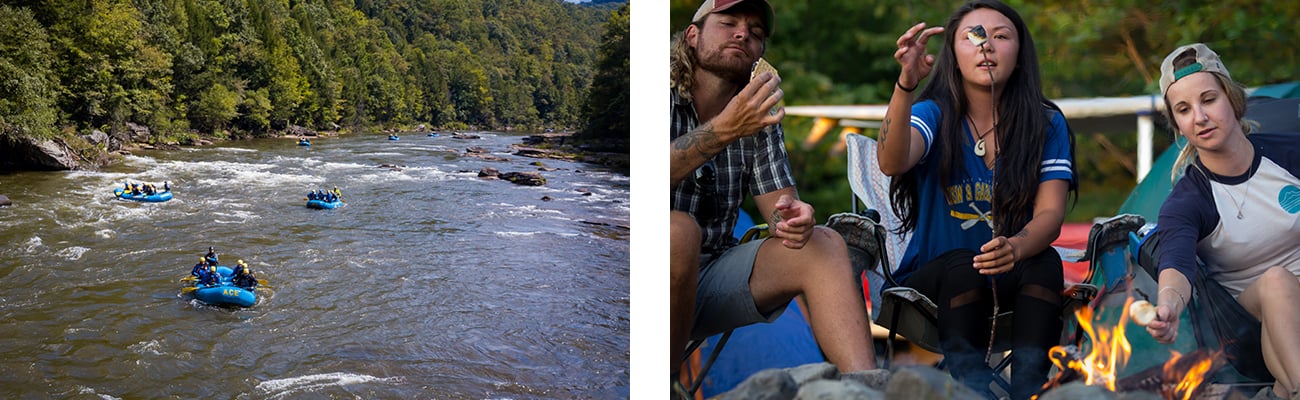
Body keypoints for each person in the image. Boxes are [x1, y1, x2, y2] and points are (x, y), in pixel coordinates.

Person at [669, 0, 877, 392]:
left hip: (713, 276)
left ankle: (862, 388)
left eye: (756, 31)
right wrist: (725, 130)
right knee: (678, 231)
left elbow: (783, 212)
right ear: (692, 36)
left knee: (824, 244)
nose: (743, 33)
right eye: (729, 21)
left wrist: (797, 219)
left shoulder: (759, 110)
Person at [878, 1, 1076, 398]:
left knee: (1046, 261)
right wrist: (905, 85)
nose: (986, 45)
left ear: (1019, 55)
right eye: (973, 36)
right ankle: (972, 391)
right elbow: (891, 161)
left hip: (1014, 272)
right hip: (935, 284)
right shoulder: (932, 114)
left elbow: (1051, 213)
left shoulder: (1045, 124)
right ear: (952, 56)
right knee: (963, 266)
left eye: (1001, 36)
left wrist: (1017, 247)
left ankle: (1030, 389)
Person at [1142, 43, 1300, 399]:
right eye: (1183, 110)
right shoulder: (1189, 200)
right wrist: (1167, 306)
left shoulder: (1290, 153)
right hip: (1249, 326)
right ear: (1178, 126)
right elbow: (1176, 267)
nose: (1199, 116)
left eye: (1208, 100)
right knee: (1275, 281)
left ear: (1232, 99)